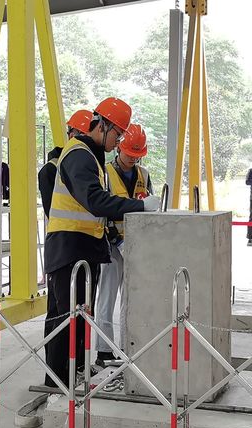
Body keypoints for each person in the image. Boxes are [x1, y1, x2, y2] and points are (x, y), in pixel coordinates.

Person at [43, 98, 160, 387]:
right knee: (65, 319)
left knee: (79, 317)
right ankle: (58, 382)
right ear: (103, 125)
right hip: (69, 247)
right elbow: (95, 201)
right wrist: (140, 206)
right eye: (117, 134)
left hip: (85, 247)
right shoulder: (79, 155)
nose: (118, 141)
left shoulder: (91, 157)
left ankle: (73, 374)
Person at [95, 123, 152, 367]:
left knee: (132, 300)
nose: (132, 159)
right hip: (111, 246)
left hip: (137, 246)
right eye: (129, 153)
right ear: (119, 147)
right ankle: (104, 350)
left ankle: (130, 346)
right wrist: (116, 240)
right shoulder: (105, 173)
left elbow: (148, 209)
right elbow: (101, 210)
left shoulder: (144, 175)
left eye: (137, 155)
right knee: (107, 298)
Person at [38, 109, 93, 218]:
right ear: (72, 136)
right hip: (68, 228)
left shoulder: (91, 166)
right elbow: (53, 215)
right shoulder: (51, 170)